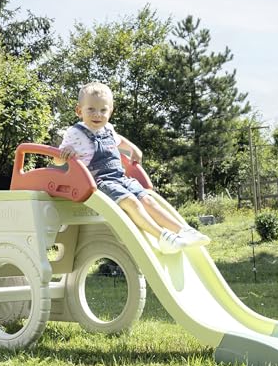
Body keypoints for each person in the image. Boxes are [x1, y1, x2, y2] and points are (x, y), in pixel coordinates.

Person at [55, 82, 210, 254]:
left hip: (120, 178)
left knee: (148, 200)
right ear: (79, 111)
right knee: (131, 202)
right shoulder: (75, 133)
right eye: (91, 109)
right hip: (98, 182)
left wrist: (133, 148)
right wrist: (65, 153)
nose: (97, 114)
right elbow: (57, 160)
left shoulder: (108, 129)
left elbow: (119, 140)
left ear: (110, 111)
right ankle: (162, 237)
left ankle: (182, 230)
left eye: (103, 110)